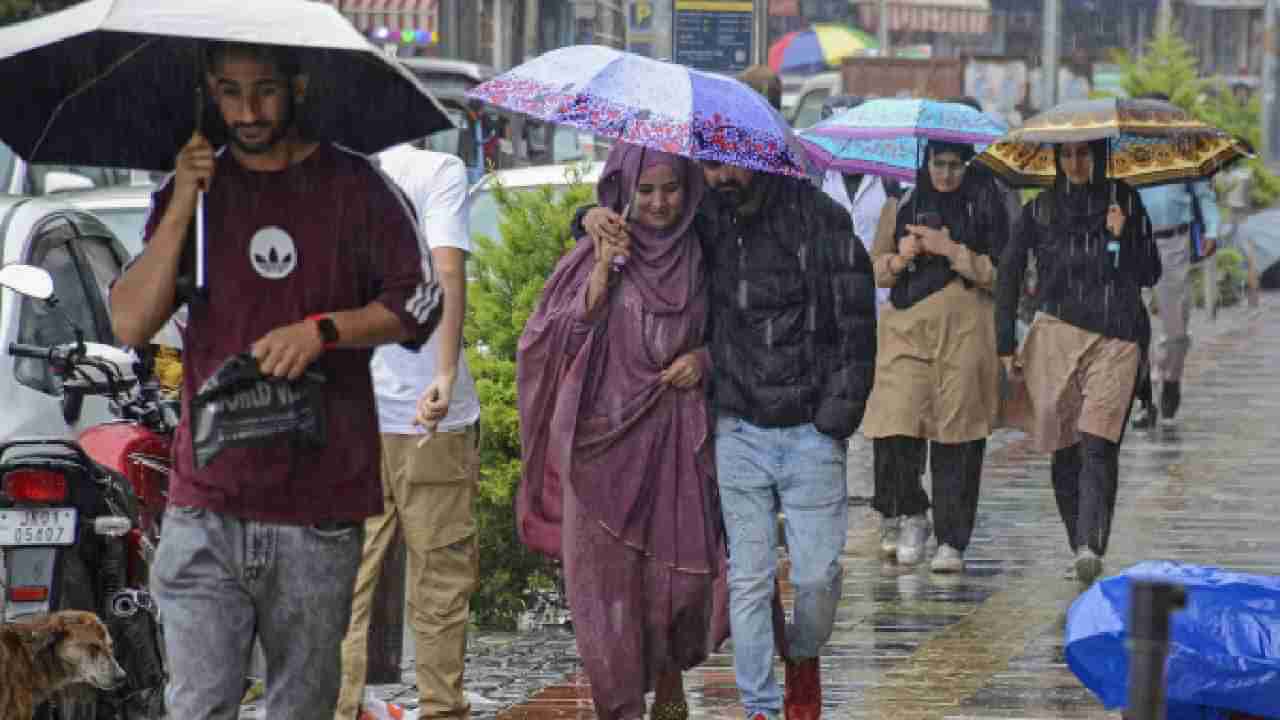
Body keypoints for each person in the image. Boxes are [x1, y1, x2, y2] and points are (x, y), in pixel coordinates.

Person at [109, 41, 441, 719]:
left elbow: (418, 305)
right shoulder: (194, 195)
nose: (248, 110)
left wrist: (324, 331)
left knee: (302, 706)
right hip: (207, 502)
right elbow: (129, 322)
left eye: (264, 90)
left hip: (317, 510)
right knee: (199, 705)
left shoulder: (358, 188)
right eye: (229, 91)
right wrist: (180, 205)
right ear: (208, 92)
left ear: (298, 85)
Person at [580, 152, 877, 720]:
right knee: (748, 576)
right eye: (711, 167)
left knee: (818, 578)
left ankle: (805, 655)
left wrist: (833, 420)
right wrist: (588, 214)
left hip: (810, 433)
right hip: (738, 427)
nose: (722, 178)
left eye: (732, 166)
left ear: (764, 160)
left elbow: (856, 330)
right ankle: (760, 707)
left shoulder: (821, 222)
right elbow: (645, 222)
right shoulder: (707, 219)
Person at [517, 142, 727, 720]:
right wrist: (601, 271)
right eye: (646, 190)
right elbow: (547, 341)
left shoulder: (707, 252)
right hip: (599, 449)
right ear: (624, 191)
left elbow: (735, 330)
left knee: (677, 584)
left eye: (671, 188)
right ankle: (620, 707)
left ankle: (671, 677)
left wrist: (704, 361)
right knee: (605, 590)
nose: (659, 203)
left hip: (676, 442)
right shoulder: (596, 251)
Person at [336, 143, 481, 720]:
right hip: (431, 417)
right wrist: (444, 373)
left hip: (350, 411)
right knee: (441, 576)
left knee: (344, 580)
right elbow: (447, 269)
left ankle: (339, 707)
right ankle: (441, 708)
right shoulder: (435, 171)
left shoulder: (326, 175)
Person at [996, 140, 1160, 586]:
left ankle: (1092, 543)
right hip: (1058, 335)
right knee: (1065, 447)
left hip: (1117, 333)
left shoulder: (1124, 199)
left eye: (1084, 154)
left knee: (1098, 441)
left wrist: (1122, 238)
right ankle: (1079, 543)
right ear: (1055, 158)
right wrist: (1003, 343)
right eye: (1066, 155)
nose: (1075, 164)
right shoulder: (1041, 210)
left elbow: (1149, 273)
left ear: (1099, 156)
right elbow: (1010, 271)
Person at [861, 140, 1008, 572]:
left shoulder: (988, 206)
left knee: (958, 433)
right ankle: (910, 510)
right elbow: (875, 267)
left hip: (965, 328)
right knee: (894, 423)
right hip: (906, 326)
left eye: (955, 166)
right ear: (925, 164)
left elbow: (1004, 274)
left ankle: (952, 538)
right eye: (938, 165)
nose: (946, 175)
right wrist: (900, 258)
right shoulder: (901, 203)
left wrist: (951, 250)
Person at [1134, 92, 1220, 426]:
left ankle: (1171, 378)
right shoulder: (1129, 157)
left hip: (1174, 244)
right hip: (1135, 246)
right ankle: (1144, 398)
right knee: (1133, 325)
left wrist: (1211, 230)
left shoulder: (1185, 156)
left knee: (1176, 326)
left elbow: (1205, 196)